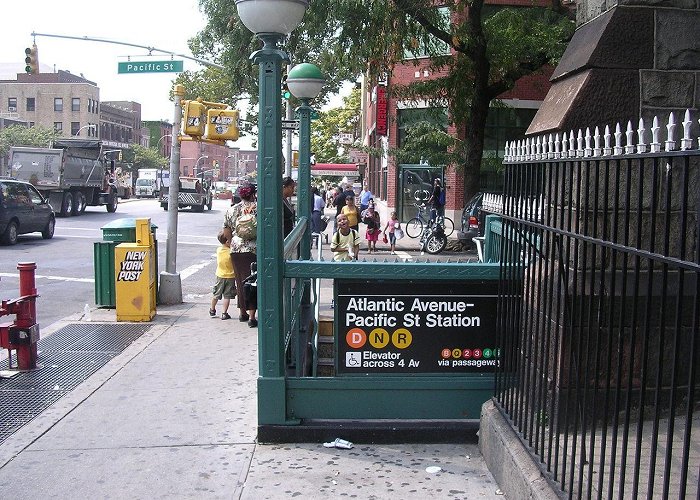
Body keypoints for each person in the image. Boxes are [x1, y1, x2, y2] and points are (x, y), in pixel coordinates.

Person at [223, 182, 258, 328]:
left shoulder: (232, 210)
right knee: (253, 281)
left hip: (236, 250)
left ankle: (242, 312)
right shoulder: (257, 209)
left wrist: (232, 242)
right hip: (254, 249)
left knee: (240, 281)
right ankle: (251, 317)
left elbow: (226, 231)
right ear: (252, 194)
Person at [209, 230, 236, 320]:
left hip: (220, 275)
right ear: (227, 242)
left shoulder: (219, 250)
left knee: (216, 293)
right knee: (227, 296)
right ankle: (224, 313)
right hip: (231, 276)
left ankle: (212, 309)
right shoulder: (231, 252)